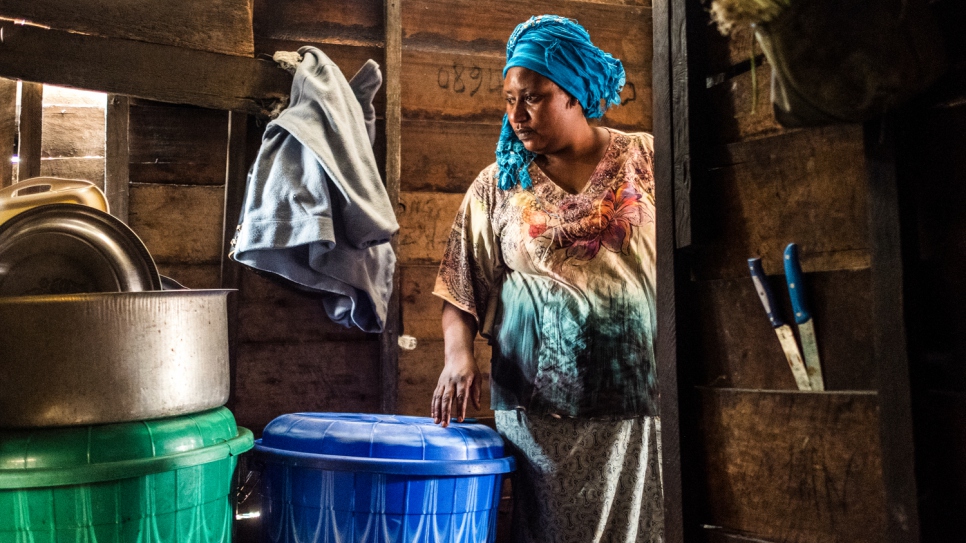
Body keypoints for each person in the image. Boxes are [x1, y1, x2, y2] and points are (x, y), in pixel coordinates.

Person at [430, 14, 662, 543]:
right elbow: (459, 284)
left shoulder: (646, 159)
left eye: (533, 97)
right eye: (509, 98)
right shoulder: (498, 185)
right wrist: (457, 357)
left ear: (574, 93)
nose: (516, 113)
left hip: (638, 399)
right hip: (538, 412)